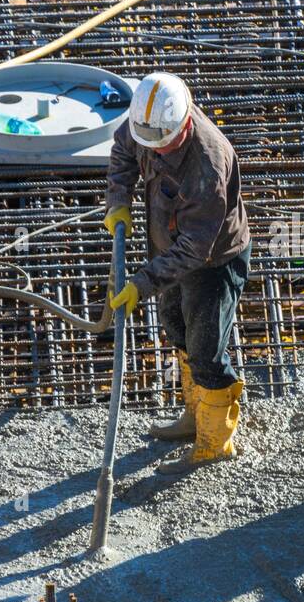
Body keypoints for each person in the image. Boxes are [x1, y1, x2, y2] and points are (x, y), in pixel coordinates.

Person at [105, 72, 252, 473]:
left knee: (205, 349)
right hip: (169, 250)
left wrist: (142, 282)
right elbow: (122, 151)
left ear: (185, 122)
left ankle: (214, 441)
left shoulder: (207, 161)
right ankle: (194, 414)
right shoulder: (147, 122)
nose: (159, 150)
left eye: (166, 144)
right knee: (175, 324)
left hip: (211, 262)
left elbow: (196, 247)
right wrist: (119, 199)